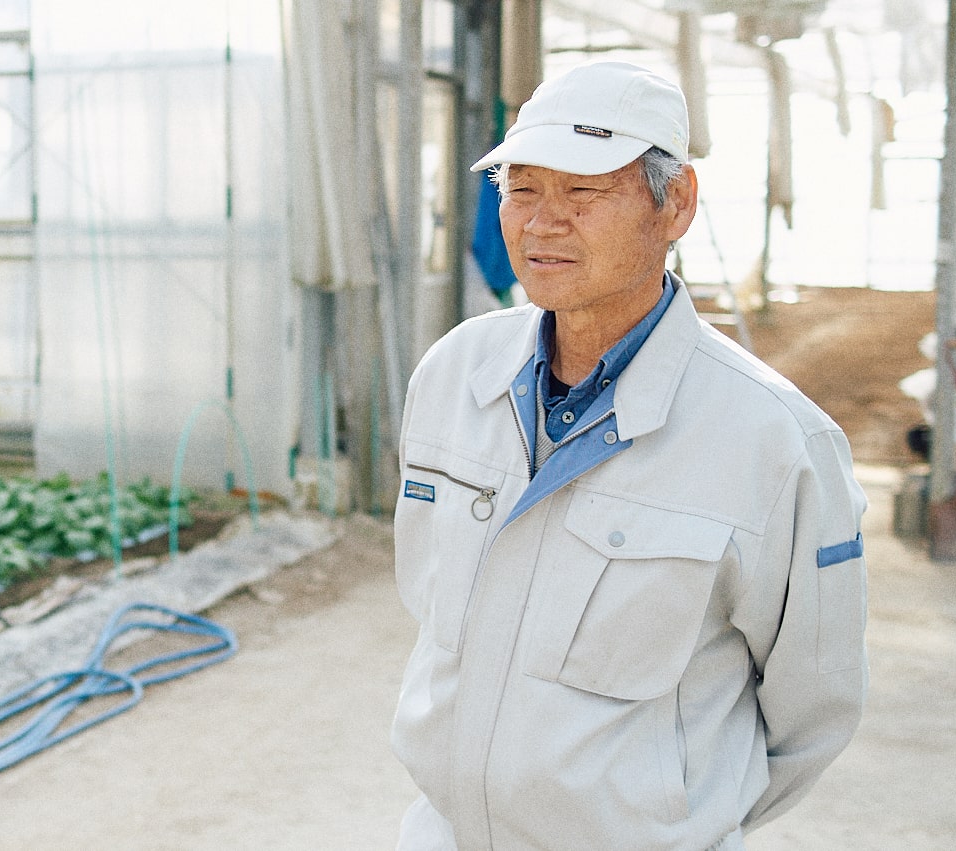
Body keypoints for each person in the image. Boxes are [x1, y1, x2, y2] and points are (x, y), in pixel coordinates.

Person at [391, 60, 869, 850]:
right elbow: (432, 607)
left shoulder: (775, 438)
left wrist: (671, 814)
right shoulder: (453, 373)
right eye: (521, 188)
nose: (543, 221)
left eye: (582, 192)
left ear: (674, 203)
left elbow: (812, 709)